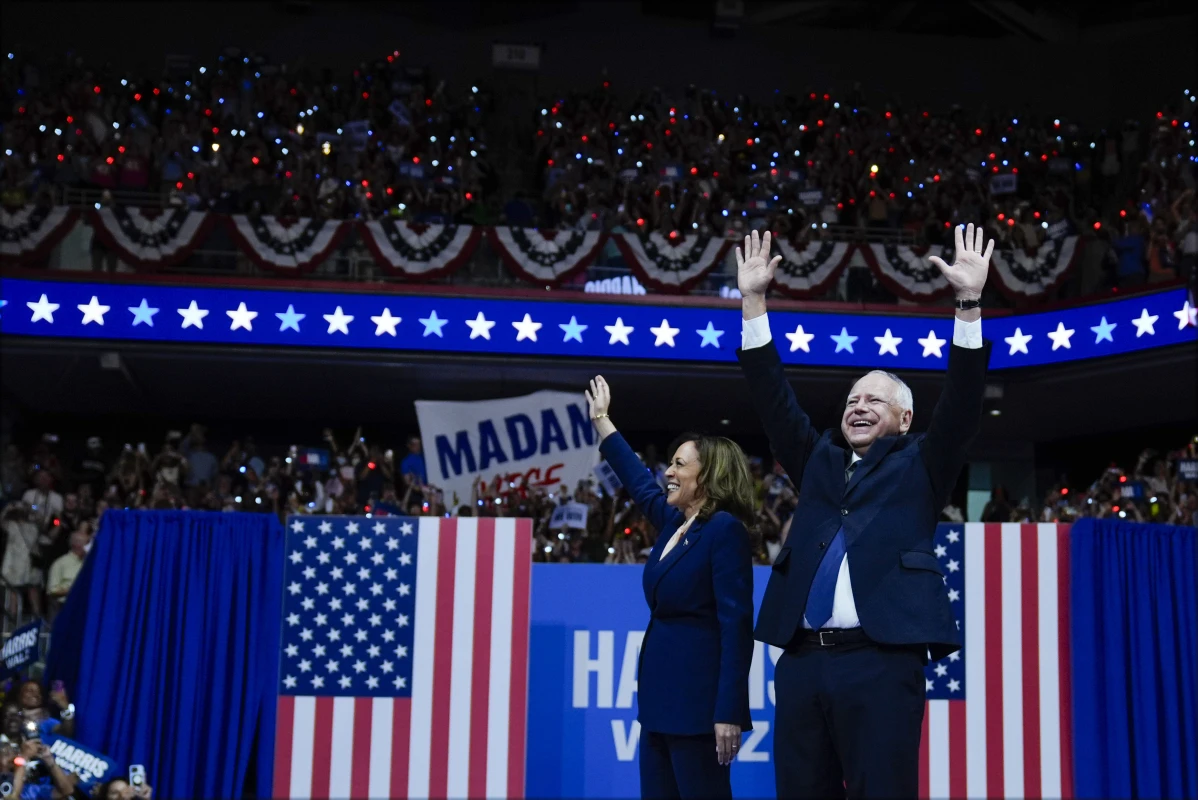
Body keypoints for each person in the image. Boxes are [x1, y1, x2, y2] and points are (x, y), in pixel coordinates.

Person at [734, 225, 993, 798]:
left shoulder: (923, 462)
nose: (858, 405)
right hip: (801, 663)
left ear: (903, 420)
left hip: (882, 662)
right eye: (852, 399)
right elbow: (774, 400)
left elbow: (963, 403)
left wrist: (968, 304)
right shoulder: (818, 459)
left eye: (875, 399)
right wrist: (753, 302)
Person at [584, 376, 755, 799]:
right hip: (658, 703)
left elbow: (736, 626)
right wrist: (603, 422)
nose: (669, 472)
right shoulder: (676, 524)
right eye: (671, 463)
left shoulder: (724, 531)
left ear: (708, 475)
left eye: (680, 464)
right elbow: (639, 483)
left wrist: (729, 711)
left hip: (698, 709)